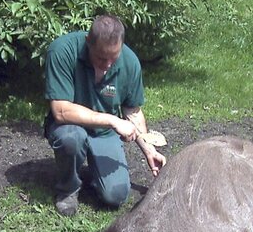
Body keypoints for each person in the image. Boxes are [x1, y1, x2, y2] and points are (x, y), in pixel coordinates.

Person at [43, 14, 167, 216]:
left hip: (104, 133)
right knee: (71, 139)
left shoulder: (130, 62)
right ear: (88, 43)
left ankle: (95, 172)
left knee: (115, 196)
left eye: (114, 57)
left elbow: (132, 111)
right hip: (70, 126)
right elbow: (61, 110)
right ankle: (68, 189)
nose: (108, 64)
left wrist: (149, 150)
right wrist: (112, 120)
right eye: (101, 58)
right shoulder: (62, 51)